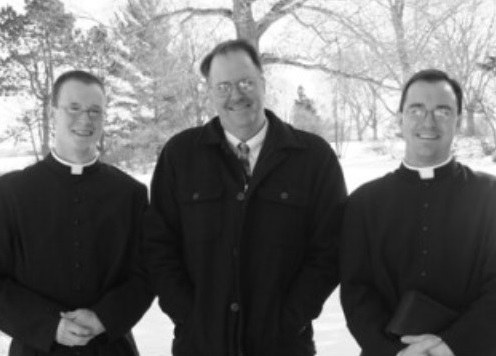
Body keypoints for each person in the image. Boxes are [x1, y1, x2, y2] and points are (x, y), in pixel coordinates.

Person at [144, 39, 347, 356]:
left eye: (245, 83)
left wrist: (289, 318)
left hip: (283, 346)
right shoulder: (180, 156)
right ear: (209, 92)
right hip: (200, 345)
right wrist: (190, 316)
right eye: (223, 86)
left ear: (263, 84)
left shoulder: (313, 158)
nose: (236, 95)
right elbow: (158, 247)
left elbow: (329, 251)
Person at [340, 69, 496, 356]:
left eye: (442, 111)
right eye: (416, 110)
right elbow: (356, 291)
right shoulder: (364, 203)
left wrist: (451, 346)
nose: (428, 121)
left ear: (458, 122)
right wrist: (395, 353)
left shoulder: (490, 196)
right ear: (400, 120)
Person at [0, 70, 153, 356]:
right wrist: (48, 325)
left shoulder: (129, 193)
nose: (86, 119)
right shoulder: (10, 192)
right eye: (74, 108)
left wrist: (103, 318)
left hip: (110, 347)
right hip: (35, 348)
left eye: (95, 111)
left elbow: (145, 273)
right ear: (52, 113)